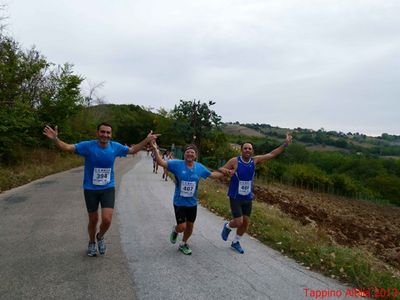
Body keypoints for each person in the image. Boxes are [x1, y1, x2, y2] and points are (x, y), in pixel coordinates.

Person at [43, 122, 158, 257]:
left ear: (111, 134)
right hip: (90, 189)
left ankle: (100, 236)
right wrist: (55, 139)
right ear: (97, 133)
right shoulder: (87, 146)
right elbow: (67, 147)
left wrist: (146, 140)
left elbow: (132, 150)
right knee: (93, 220)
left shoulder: (115, 147)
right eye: (102, 132)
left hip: (107, 187)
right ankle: (91, 242)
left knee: (107, 219)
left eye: (108, 132)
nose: (105, 135)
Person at [219, 133, 293, 254]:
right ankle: (227, 226)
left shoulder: (254, 161)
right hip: (235, 196)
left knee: (246, 222)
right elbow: (221, 168)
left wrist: (285, 144)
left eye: (249, 148)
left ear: (252, 151)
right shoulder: (235, 161)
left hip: (248, 197)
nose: (247, 150)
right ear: (241, 150)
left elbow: (272, 154)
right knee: (238, 222)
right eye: (245, 148)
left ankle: (236, 242)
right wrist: (227, 171)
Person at [151, 141, 225, 255]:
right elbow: (161, 162)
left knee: (190, 227)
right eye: (187, 152)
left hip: (192, 203)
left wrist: (226, 172)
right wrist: (155, 149)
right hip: (179, 202)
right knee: (182, 226)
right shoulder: (176, 164)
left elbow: (212, 175)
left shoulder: (199, 168)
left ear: (195, 156)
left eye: (192, 152)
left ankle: (183, 243)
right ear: (184, 154)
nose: (190, 154)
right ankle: (175, 230)